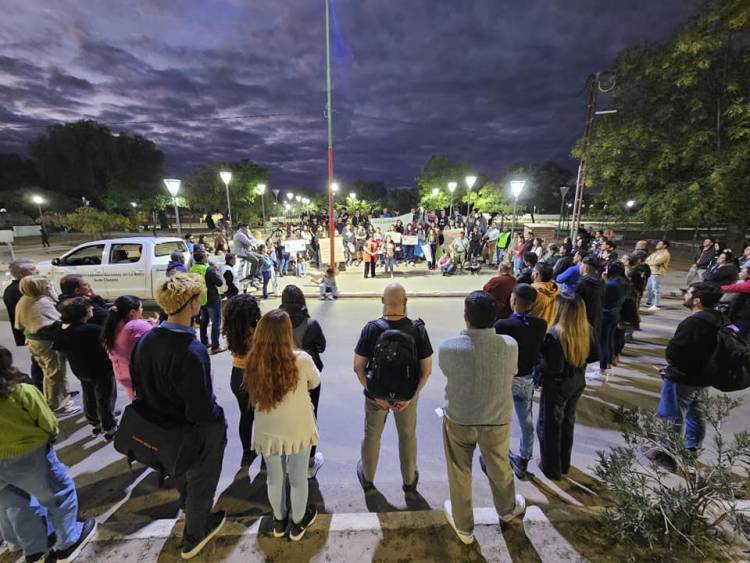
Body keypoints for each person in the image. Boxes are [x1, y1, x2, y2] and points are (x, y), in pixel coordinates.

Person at [130, 273, 227, 559]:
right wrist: (217, 419)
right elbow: (201, 408)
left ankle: (188, 507)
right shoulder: (192, 351)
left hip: (160, 426)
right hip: (192, 430)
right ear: (192, 304)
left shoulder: (146, 339)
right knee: (202, 481)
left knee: (180, 472)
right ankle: (195, 534)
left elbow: (139, 385)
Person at [439, 291, 526, 544]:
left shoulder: (449, 347)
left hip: (459, 418)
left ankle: (464, 526)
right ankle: (508, 509)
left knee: (459, 471)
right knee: (500, 467)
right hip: (496, 419)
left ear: (466, 317)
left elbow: (447, 372)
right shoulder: (510, 345)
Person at [0, 346, 97, 562]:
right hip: (28, 454)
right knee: (58, 494)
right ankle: (68, 542)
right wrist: (50, 435)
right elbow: (49, 422)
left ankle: (29, 545)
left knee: (13, 502)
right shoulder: (20, 391)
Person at [245, 310, 320, 541]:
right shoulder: (302, 359)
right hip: (297, 425)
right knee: (298, 477)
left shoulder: (253, 360)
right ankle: (297, 523)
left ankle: (279, 520)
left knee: (274, 478)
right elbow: (315, 381)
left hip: (268, 428)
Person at [353, 284, 433, 491]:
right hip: (407, 395)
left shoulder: (371, 329)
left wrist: (373, 392)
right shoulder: (417, 330)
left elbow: (358, 367)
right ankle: (408, 479)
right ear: (405, 302)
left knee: (372, 435)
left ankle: (368, 476)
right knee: (407, 436)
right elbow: (426, 370)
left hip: (376, 395)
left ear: (382, 301)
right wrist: (411, 397)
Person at [648, 283, 725, 471]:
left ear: (697, 300)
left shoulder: (694, 322)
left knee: (671, 415)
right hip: (704, 377)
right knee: (695, 413)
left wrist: (670, 367)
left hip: (683, 377)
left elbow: (675, 351)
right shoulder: (719, 318)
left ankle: (667, 454)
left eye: (688, 293)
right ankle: (692, 447)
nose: (686, 296)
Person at [494, 284, 548, 478]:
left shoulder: (503, 325)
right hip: (526, 379)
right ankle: (524, 458)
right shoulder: (540, 324)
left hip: (506, 378)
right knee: (526, 420)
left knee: (500, 419)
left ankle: (499, 455)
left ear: (514, 301)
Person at [537, 294, 590, 480]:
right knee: (568, 422)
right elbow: (595, 354)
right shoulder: (586, 329)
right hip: (577, 381)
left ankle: (551, 468)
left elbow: (552, 367)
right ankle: (564, 463)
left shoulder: (555, 335)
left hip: (557, 386)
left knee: (549, 426)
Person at [280, 286, 327, 479]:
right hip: (308, 375)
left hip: (282, 374)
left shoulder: (276, 322)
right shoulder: (311, 323)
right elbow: (322, 347)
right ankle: (308, 460)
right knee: (310, 414)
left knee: (285, 413)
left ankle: (286, 455)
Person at [53, 298, 117, 439]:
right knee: (105, 399)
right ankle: (110, 427)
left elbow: (58, 347)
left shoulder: (62, 330)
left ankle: (95, 423)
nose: (92, 309)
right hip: (101, 371)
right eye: (90, 308)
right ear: (84, 313)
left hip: (80, 370)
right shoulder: (93, 330)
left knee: (88, 396)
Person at [15, 276, 74, 414]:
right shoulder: (41, 302)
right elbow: (61, 319)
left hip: (34, 342)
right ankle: (58, 405)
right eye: (47, 284)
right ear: (39, 287)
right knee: (55, 374)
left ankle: (56, 399)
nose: (49, 286)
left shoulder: (25, 299)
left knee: (49, 373)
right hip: (46, 343)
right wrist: (53, 294)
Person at [222, 295, 262, 468]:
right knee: (262, 416)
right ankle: (264, 452)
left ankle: (247, 453)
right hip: (255, 375)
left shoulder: (231, 329)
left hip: (236, 375)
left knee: (245, 416)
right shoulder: (255, 330)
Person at [101, 295, 156, 400]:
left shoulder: (114, 324)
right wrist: (154, 324)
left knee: (135, 401)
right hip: (135, 375)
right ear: (132, 312)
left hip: (121, 372)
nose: (142, 310)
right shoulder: (136, 326)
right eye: (140, 307)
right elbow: (157, 336)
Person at [3, 260, 43, 390]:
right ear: (21, 273)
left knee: (39, 362)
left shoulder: (15, 289)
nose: (37, 271)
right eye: (32, 269)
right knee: (40, 363)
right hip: (34, 334)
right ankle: (43, 389)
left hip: (31, 333)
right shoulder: (21, 290)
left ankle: (45, 389)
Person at [597, 262, 631, 381]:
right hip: (616, 314)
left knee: (603, 341)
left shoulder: (610, 284)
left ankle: (603, 366)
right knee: (610, 338)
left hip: (606, 313)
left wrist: (603, 280)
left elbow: (602, 297)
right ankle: (609, 363)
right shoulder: (625, 282)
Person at [189, 250, 224, 353]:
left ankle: (204, 343)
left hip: (200, 299)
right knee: (216, 322)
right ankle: (215, 346)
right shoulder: (208, 270)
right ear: (203, 258)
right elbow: (219, 283)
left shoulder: (192, 269)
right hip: (212, 299)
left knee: (204, 321)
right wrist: (216, 271)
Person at [721, 266, 750, 338]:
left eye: (743, 272)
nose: (740, 273)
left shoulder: (747, 284)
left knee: (737, 332)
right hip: (740, 311)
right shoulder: (744, 281)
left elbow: (736, 287)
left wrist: (718, 288)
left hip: (745, 315)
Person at [530, 263, 560, 327]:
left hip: (534, 327)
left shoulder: (533, 290)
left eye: (533, 271)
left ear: (536, 274)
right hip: (551, 326)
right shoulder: (556, 289)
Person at [645, 240, 671, 311]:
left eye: (659, 244)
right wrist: (650, 262)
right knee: (649, 288)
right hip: (651, 271)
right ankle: (649, 302)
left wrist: (650, 262)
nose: (657, 244)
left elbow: (656, 262)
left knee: (655, 289)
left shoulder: (665, 254)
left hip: (657, 273)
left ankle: (656, 305)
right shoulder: (656, 252)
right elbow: (647, 260)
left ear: (664, 245)